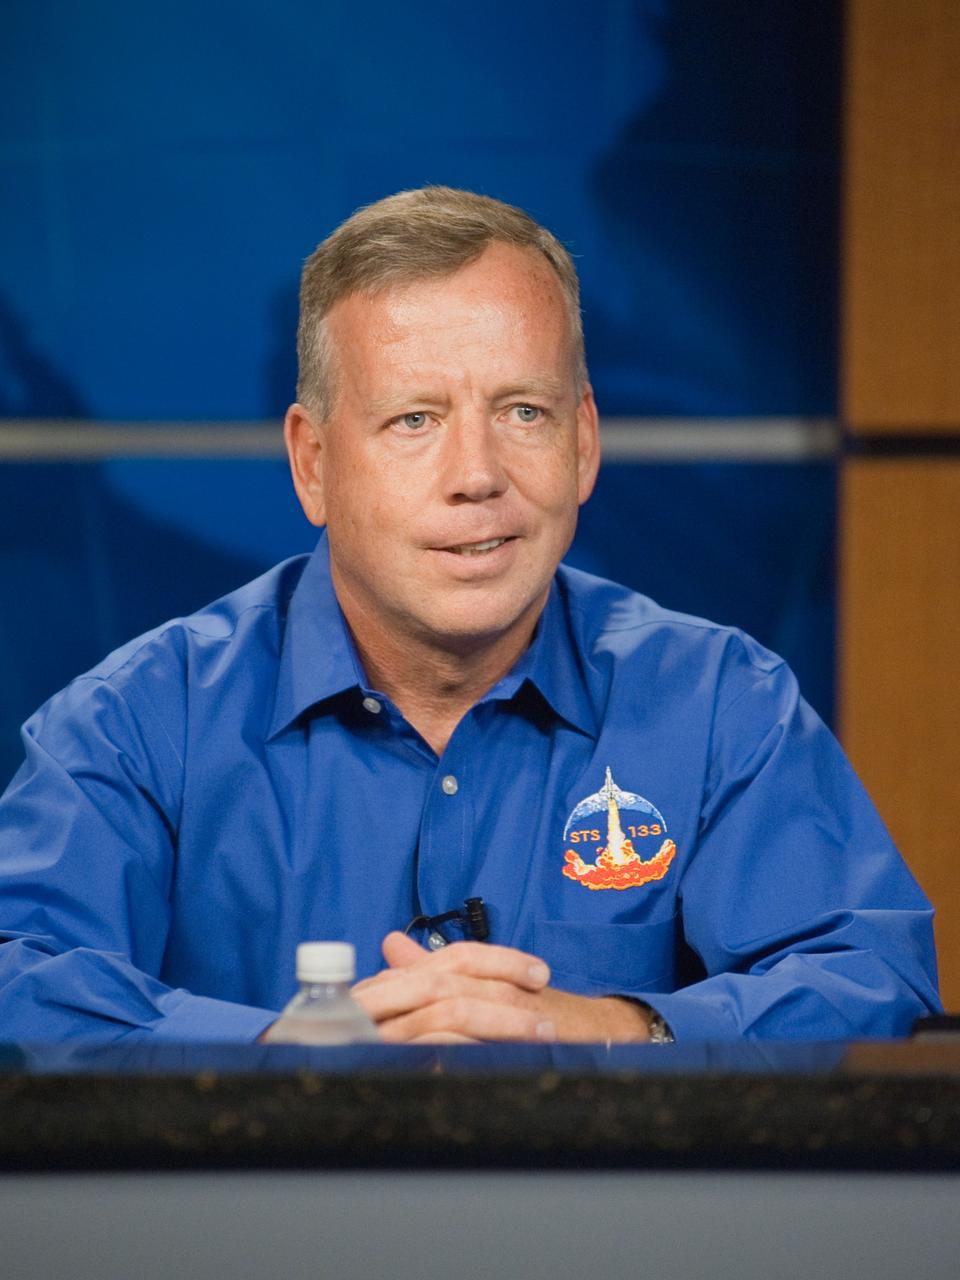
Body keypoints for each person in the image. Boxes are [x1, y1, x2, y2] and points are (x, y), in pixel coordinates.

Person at [0, 187, 940, 1045]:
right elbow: (17, 980)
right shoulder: (136, 725)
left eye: (523, 413)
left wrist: (622, 1030)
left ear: (583, 443)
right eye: (415, 420)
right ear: (313, 463)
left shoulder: (721, 705)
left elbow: (876, 983)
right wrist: (268, 1059)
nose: (477, 476)